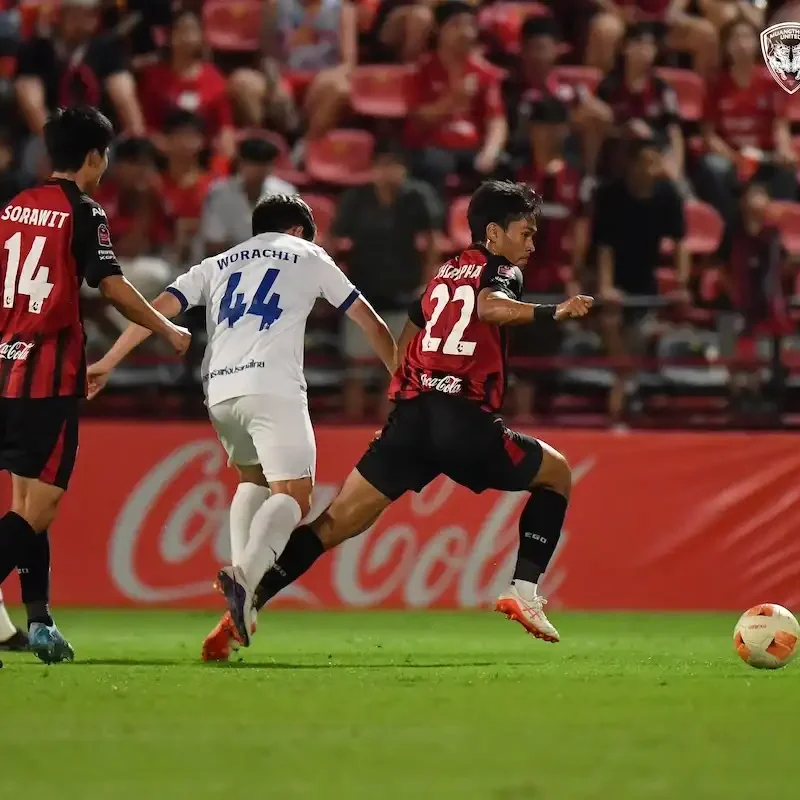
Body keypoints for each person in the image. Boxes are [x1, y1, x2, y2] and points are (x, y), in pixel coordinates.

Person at [202, 180, 593, 659]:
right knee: (557, 475)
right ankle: (524, 590)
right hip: (462, 419)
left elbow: (411, 330)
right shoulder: (501, 270)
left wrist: (406, 394)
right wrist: (554, 312)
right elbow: (490, 307)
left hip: (412, 420)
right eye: (526, 233)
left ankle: (245, 604)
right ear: (494, 233)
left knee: (333, 524)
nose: (531, 245)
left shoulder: (444, 273)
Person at [85, 194, 397, 658]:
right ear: (298, 231)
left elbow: (157, 307)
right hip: (272, 386)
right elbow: (369, 322)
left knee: (252, 480)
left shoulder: (216, 263)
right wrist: (403, 384)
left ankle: (242, 597)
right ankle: (245, 577)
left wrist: (109, 360)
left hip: (220, 391)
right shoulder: (307, 253)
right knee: (293, 496)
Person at [0, 106, 191, 663]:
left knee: (25, 501)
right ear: (93, 156)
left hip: (6, 368)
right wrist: (166, 329)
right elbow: (110, 285)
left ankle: (40, 620)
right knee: (40, 509)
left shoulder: (13, 207)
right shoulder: (83, 211)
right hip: (48, 375)